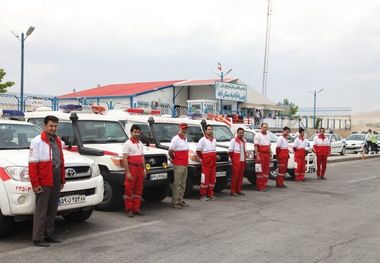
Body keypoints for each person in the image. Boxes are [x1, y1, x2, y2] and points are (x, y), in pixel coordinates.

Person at [29, 115, 65, 247]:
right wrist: (35, 183)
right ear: (45, 126)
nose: (53, 128)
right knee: (41, 209)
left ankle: (48, 234)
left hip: (56, 174)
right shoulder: (37, 141)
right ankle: (37, 238)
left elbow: (61, 160)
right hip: (44, 176)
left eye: (55, 126)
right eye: (51, 126)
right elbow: (33, 164)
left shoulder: (58, 140)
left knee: (52, 208)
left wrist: (62, 179)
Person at [123, 125, 146, 217]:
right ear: (131, 132)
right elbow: (125, 159)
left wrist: (144, 169)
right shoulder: (127, 143)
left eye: (138, 132)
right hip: (132, 168)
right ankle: (129, 209)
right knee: (129, 189)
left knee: (139, 189)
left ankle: (136, 208)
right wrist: (128, 172)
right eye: (135, 132)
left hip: (140, 169)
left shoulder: (140, 143)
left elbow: (142, 157)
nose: (136, 133)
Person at [169, 123, 190, 209]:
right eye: (183, 129)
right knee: (177, 184)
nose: (184, 130)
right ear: (179, 129)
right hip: (179, 164)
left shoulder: (185, 138)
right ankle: (175, 202)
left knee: (183, 184)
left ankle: (180, 200)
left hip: (185, 164)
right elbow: (170, 151)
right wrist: (175, 159)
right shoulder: (175, 139)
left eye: (185, 129)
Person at [196, 125, 217, 201]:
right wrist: (203, 158)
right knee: (205, 180)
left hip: (213, 162)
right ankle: (203, 195)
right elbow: (198, 150)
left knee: (212, 179)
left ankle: (210, 194)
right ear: (205, 131)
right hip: (206, 163)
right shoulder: (202, 140)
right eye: (209, 129)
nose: (210, 131)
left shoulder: (214, 139)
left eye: (211, 129)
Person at [254, 122, 272, 191]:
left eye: (266, 127)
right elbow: (255, 147)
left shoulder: (268, 136)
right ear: (261, 127)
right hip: (261, 154)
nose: (265, 129)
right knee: (260, 172)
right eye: (264, 127)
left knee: (266, 171)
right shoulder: (257, 135)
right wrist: (257, 156)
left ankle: (264, 185)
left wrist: (270, 155)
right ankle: (259, 186)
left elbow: (269, 147)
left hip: (267, 155)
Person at [229, 127, 246, 196]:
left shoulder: (244, 141)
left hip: (242, 160)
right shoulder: (233, 140)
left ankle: (238, 190)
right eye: (240, 133)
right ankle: (233, 191)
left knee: (240, 177)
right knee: (235, 177)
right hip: (236, 161)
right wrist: (234, 159)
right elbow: (230, 151)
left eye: (242, 133)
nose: (241, 134)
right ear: (237, 133)